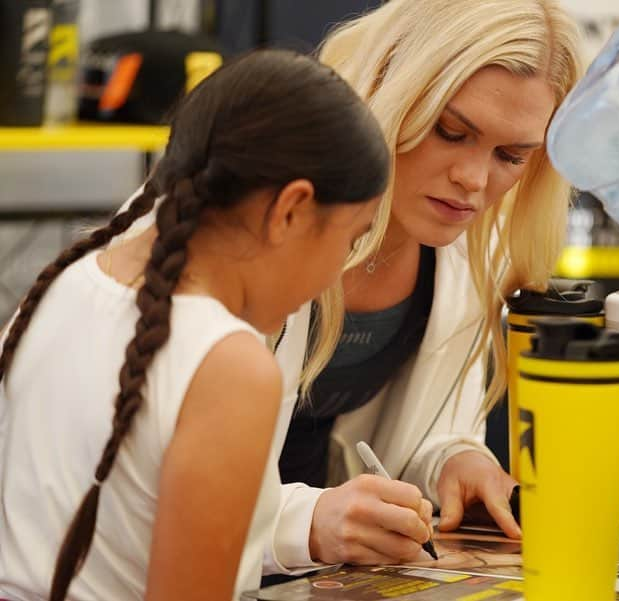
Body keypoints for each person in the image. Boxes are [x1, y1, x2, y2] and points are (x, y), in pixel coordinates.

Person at [0, 50, 409, 601]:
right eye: (351, 238)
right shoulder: (230, 365)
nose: (339, 272)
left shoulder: (59, 287)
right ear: (290, 210)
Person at [266, 0, 584, 571]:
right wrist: (303, 524)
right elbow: (148, 481)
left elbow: (406, 439)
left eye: (512, 156)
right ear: (387, 87)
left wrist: (452, 463)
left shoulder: (465, 249)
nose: (474, 180)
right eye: (451, 131)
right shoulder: (255, 212)